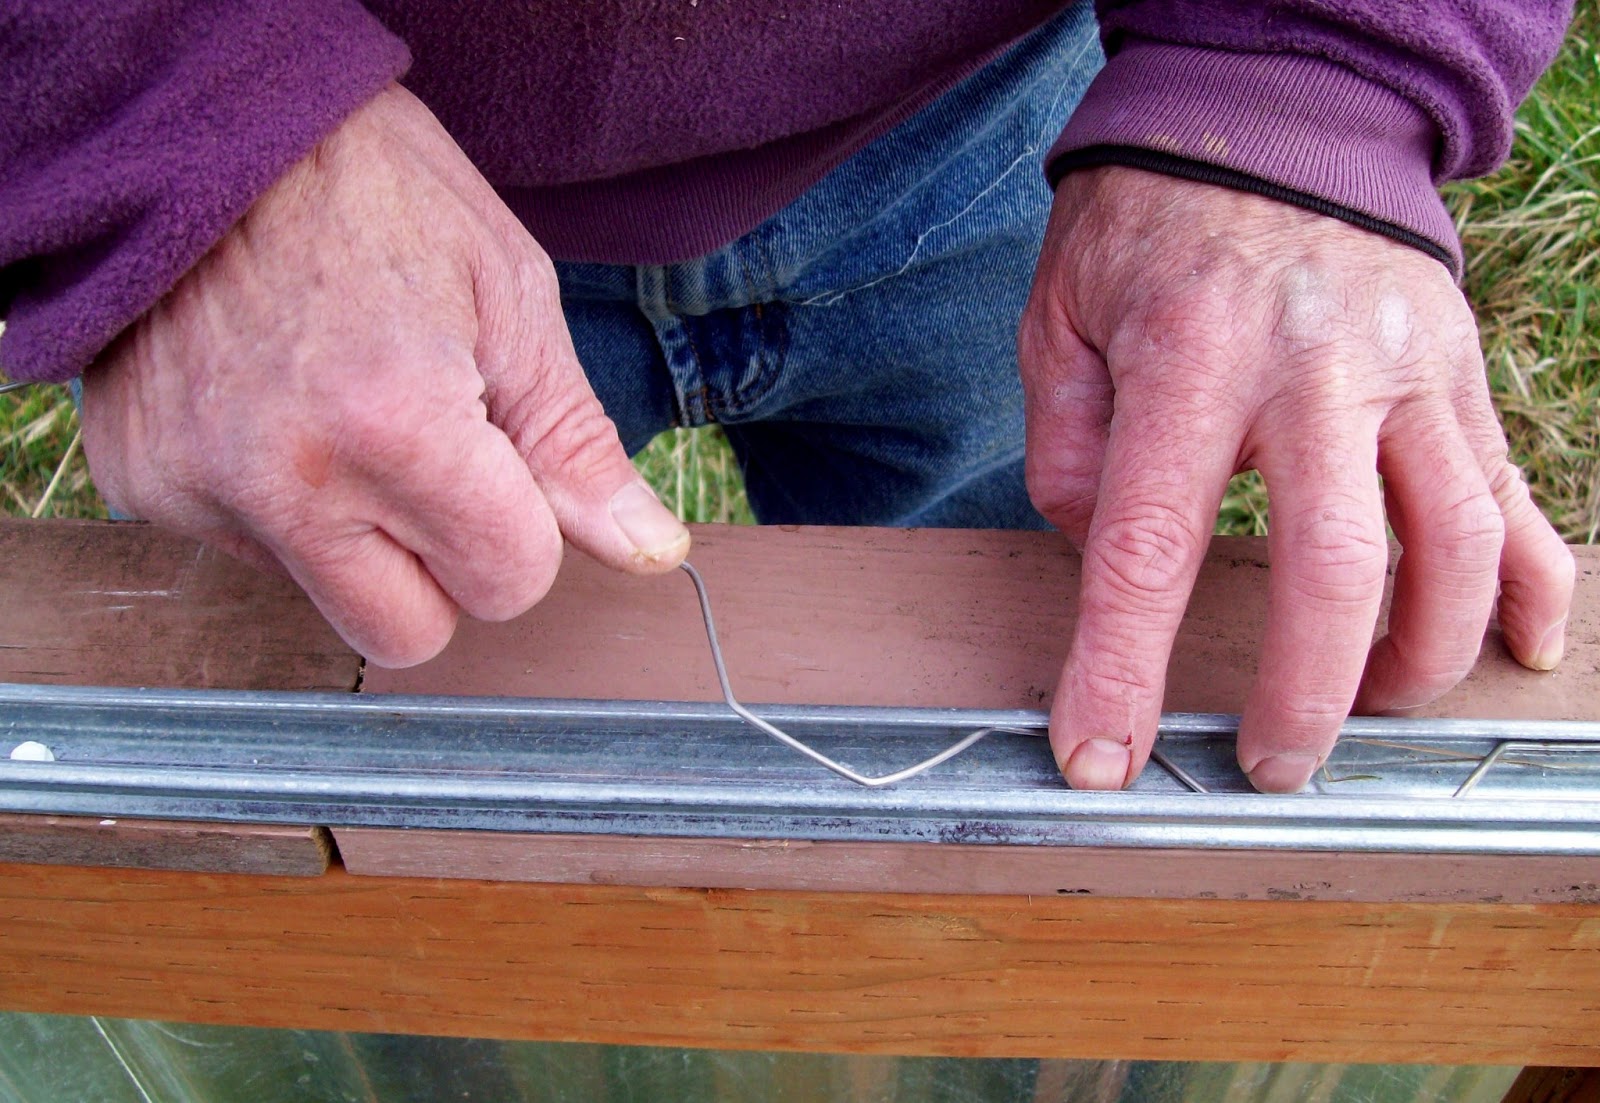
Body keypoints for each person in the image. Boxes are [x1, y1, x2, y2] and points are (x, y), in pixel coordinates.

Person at [0, 1, 1576, 793]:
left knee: (1000, 578)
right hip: (319, 192)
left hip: (980, 131)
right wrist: (162, 90)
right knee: (453, 721)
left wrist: (1318, 69)